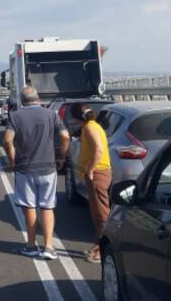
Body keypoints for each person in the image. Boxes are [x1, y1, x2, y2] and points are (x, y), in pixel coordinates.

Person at [3, 86, 70, 260]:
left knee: (29, 207)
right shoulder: (51, 115)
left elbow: (7, 141)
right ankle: (49, 247)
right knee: (47, 207)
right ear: (38, 98)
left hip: (25, 169)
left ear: (22, 100)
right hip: (48, 168)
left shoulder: (15, 116)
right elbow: (65, 137)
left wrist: (12, 162)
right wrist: (61, 157)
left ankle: (31, 245)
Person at [70, 103, 112, 263]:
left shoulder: (90, 128)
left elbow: (99, 150)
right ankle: (97, 246)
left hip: (98, 173)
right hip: (97, 173)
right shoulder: (92, 126)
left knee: (102, 215)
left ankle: (103, 251)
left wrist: (89, 170)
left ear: (75, 117)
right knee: (96, 214)